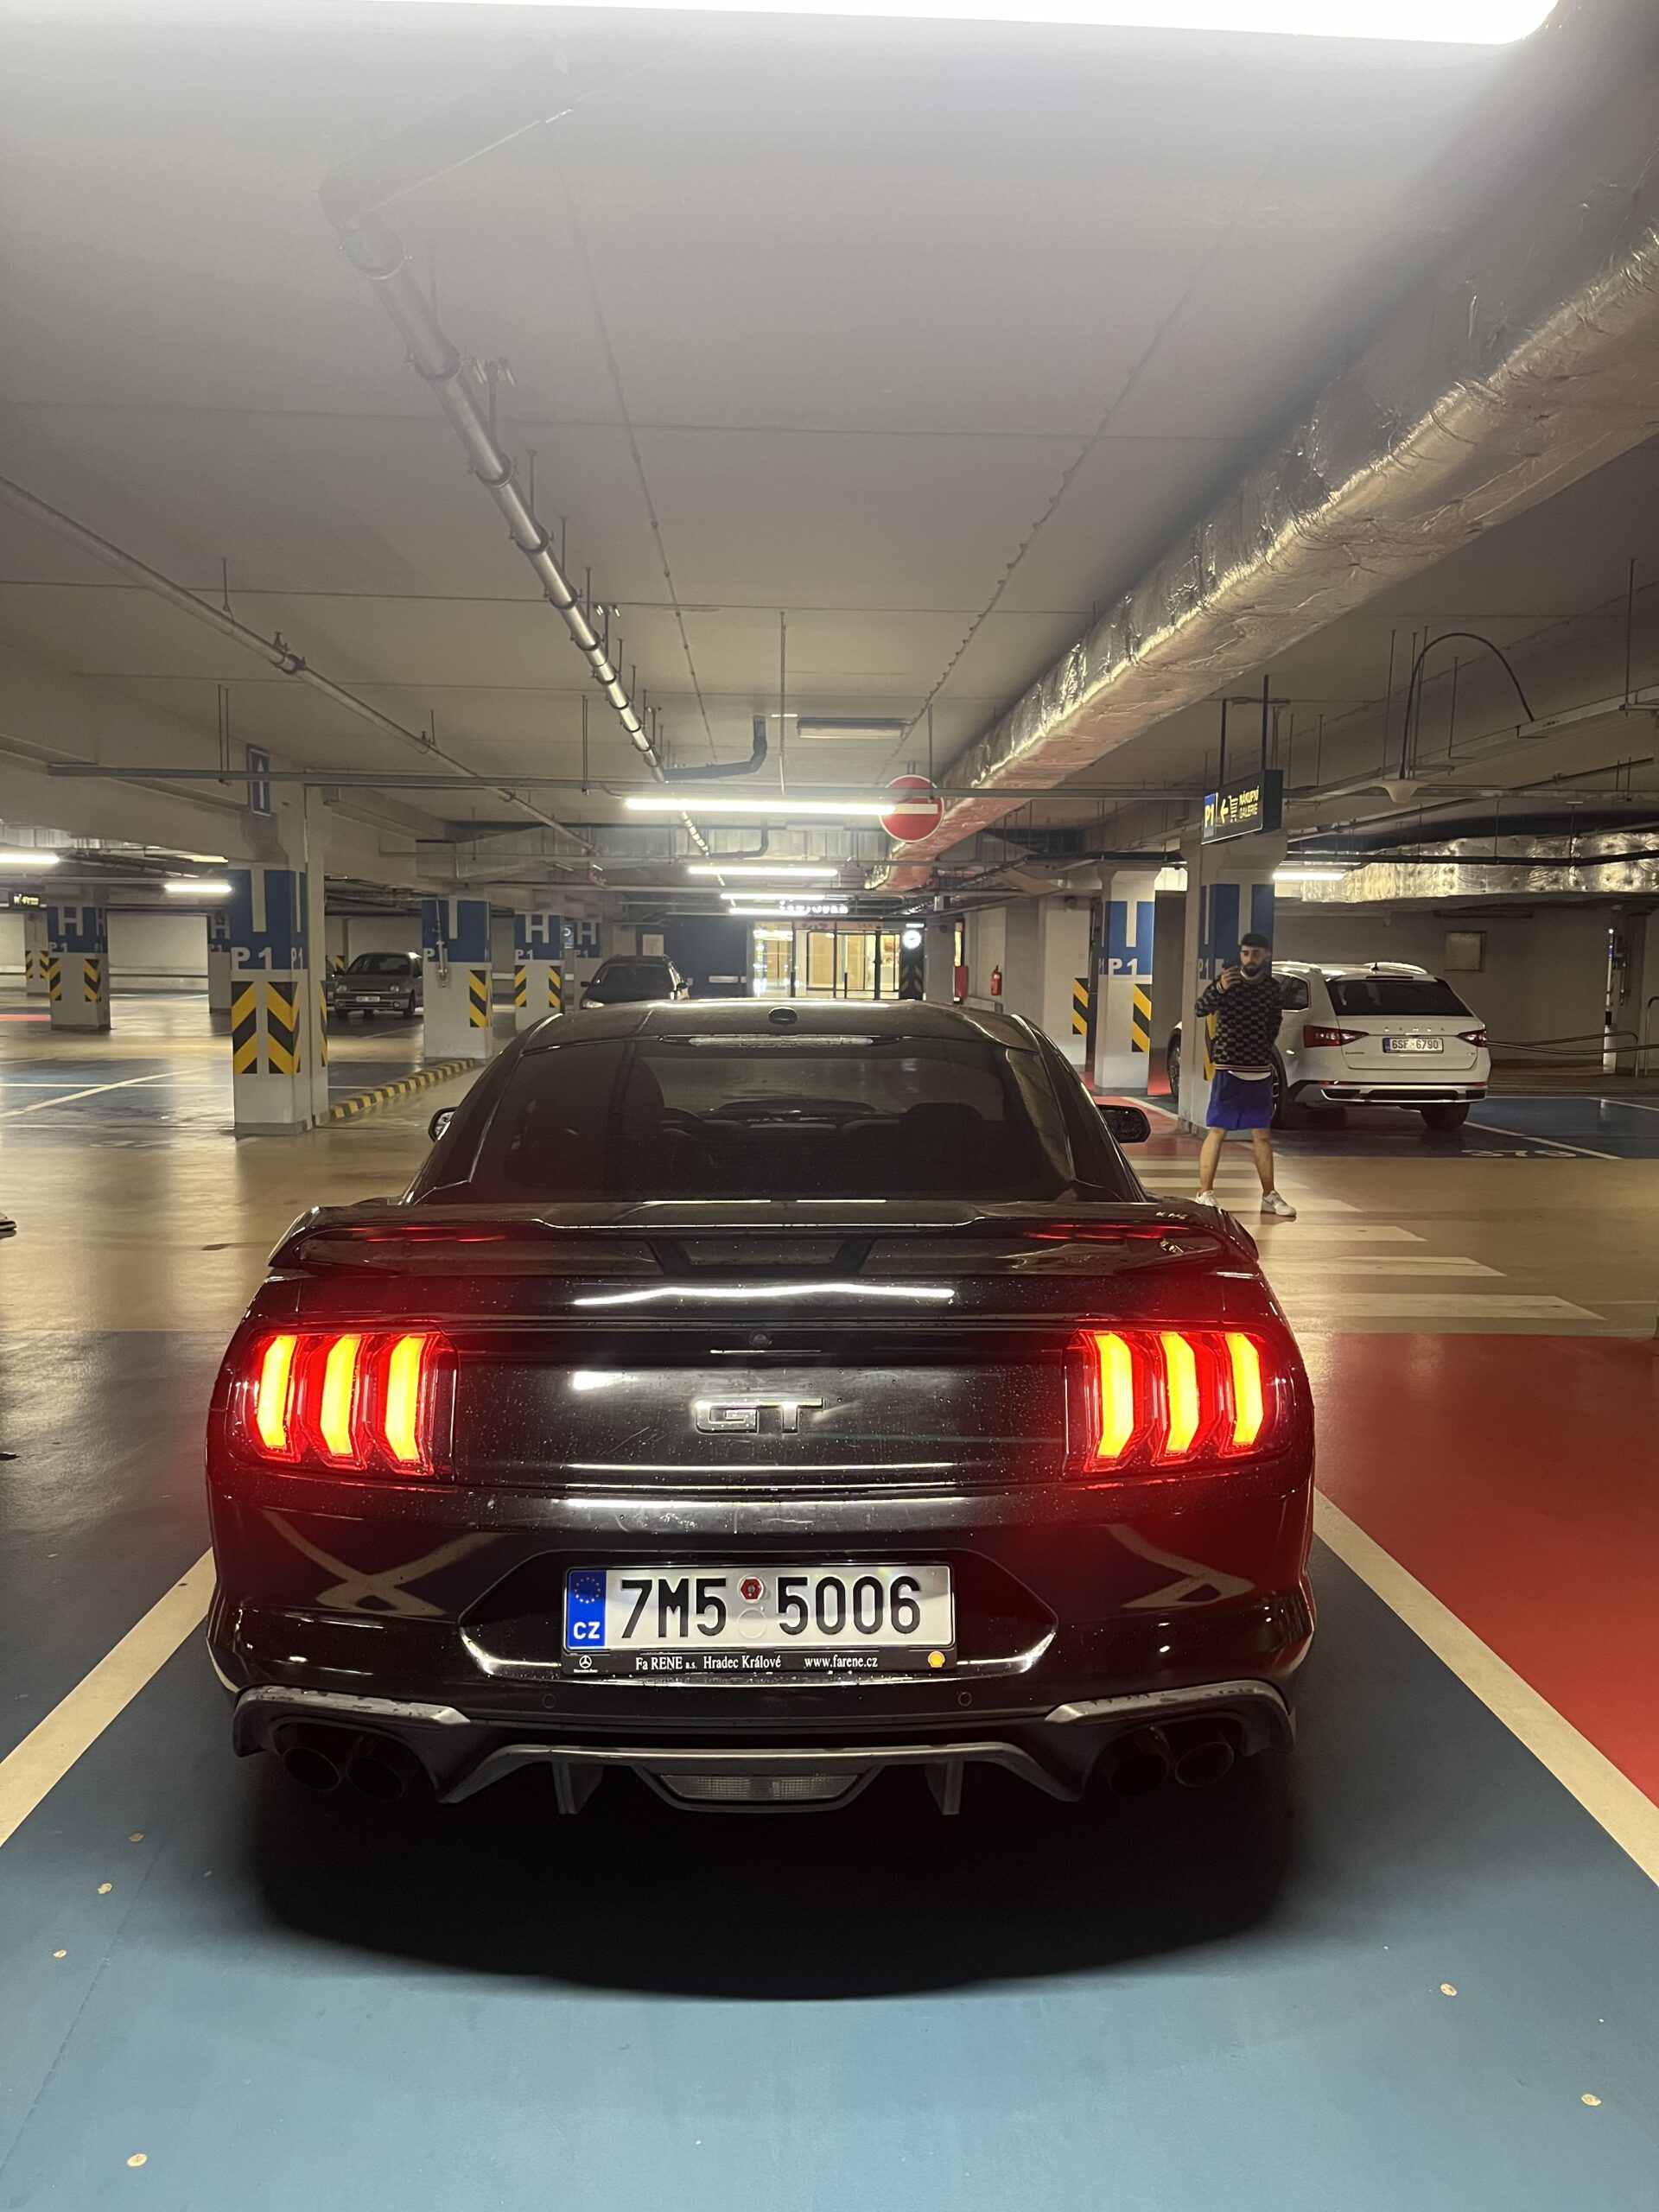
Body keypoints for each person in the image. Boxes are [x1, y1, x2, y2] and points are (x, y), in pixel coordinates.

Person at [1192, 931, 1295, 1218]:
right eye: (1246, 953)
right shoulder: (1227, 982)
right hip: (1228, 1068)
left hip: (1259, 1070)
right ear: (1241, 954)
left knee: (1262, 1133)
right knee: (1218, 1130)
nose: (1250, 959)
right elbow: (1200, 1009)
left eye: (1256, 954)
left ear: (1266, 956)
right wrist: (1219, 989)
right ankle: (1204, 1192)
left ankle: (1269, 1195)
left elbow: (1274, 1023)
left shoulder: (1272, 989)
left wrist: (1262, 1050)